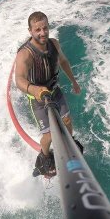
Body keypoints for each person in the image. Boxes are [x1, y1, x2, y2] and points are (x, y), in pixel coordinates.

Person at [15, 11, 82, 177]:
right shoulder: (25, 54)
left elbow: (64, 61)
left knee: (66, 120)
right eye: (37, 29)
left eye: (45, 28)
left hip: (54, 91)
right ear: (30, 31)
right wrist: (35, 90)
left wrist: (73, 81)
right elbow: (19, 79)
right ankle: (45, 156)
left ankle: (69, 146)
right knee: (49, 134)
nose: (42, 32)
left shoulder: (54, 44)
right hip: (38, 99)